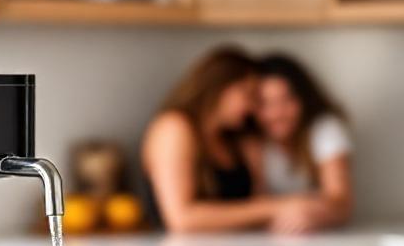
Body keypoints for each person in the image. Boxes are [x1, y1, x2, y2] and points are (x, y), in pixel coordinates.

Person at [141, 46, 277, 233]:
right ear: (219, 85)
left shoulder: (237, 139)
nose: (252, 107)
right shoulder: (174, 127)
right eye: (248, 94)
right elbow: (181, 218)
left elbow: (257, 200)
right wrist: (274, 208)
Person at [252, 53, 353, 234]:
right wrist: (301, 205)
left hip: (316, 237)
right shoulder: (250, 140)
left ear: (303, 100)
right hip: (262, 238)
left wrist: (313, 215)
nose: (277, 113)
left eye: (286, 100)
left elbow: (341, 202)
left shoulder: (324, 128)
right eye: (266, 103)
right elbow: (254, 203)